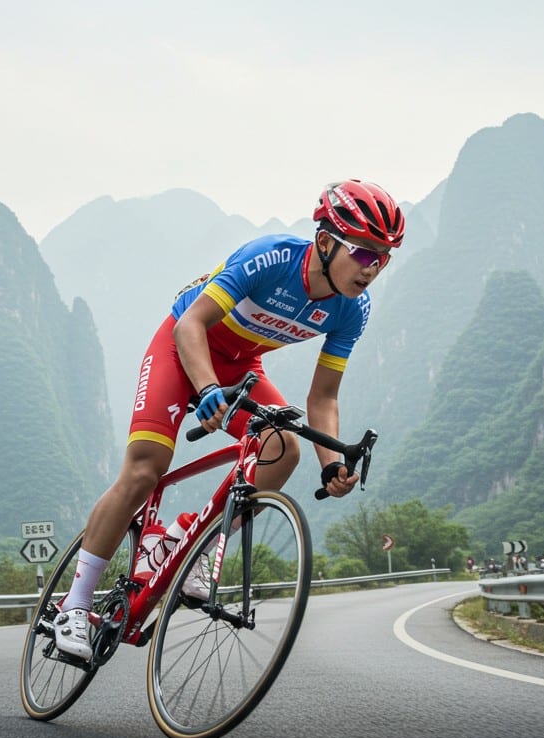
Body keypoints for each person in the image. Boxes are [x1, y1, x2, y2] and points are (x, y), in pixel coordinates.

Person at [51, 180, 405, 660]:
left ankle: (190, 540)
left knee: (283, 449)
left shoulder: (353, 310)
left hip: (241, 367)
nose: (373, 269)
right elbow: (189, 326)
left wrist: (330, 462)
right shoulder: (271, 259)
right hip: (182, 350)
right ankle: (73, 605)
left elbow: (323, 396)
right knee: (144, 469)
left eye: (383, 259)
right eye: (364, 254)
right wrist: (207, 389)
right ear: (325, 241)